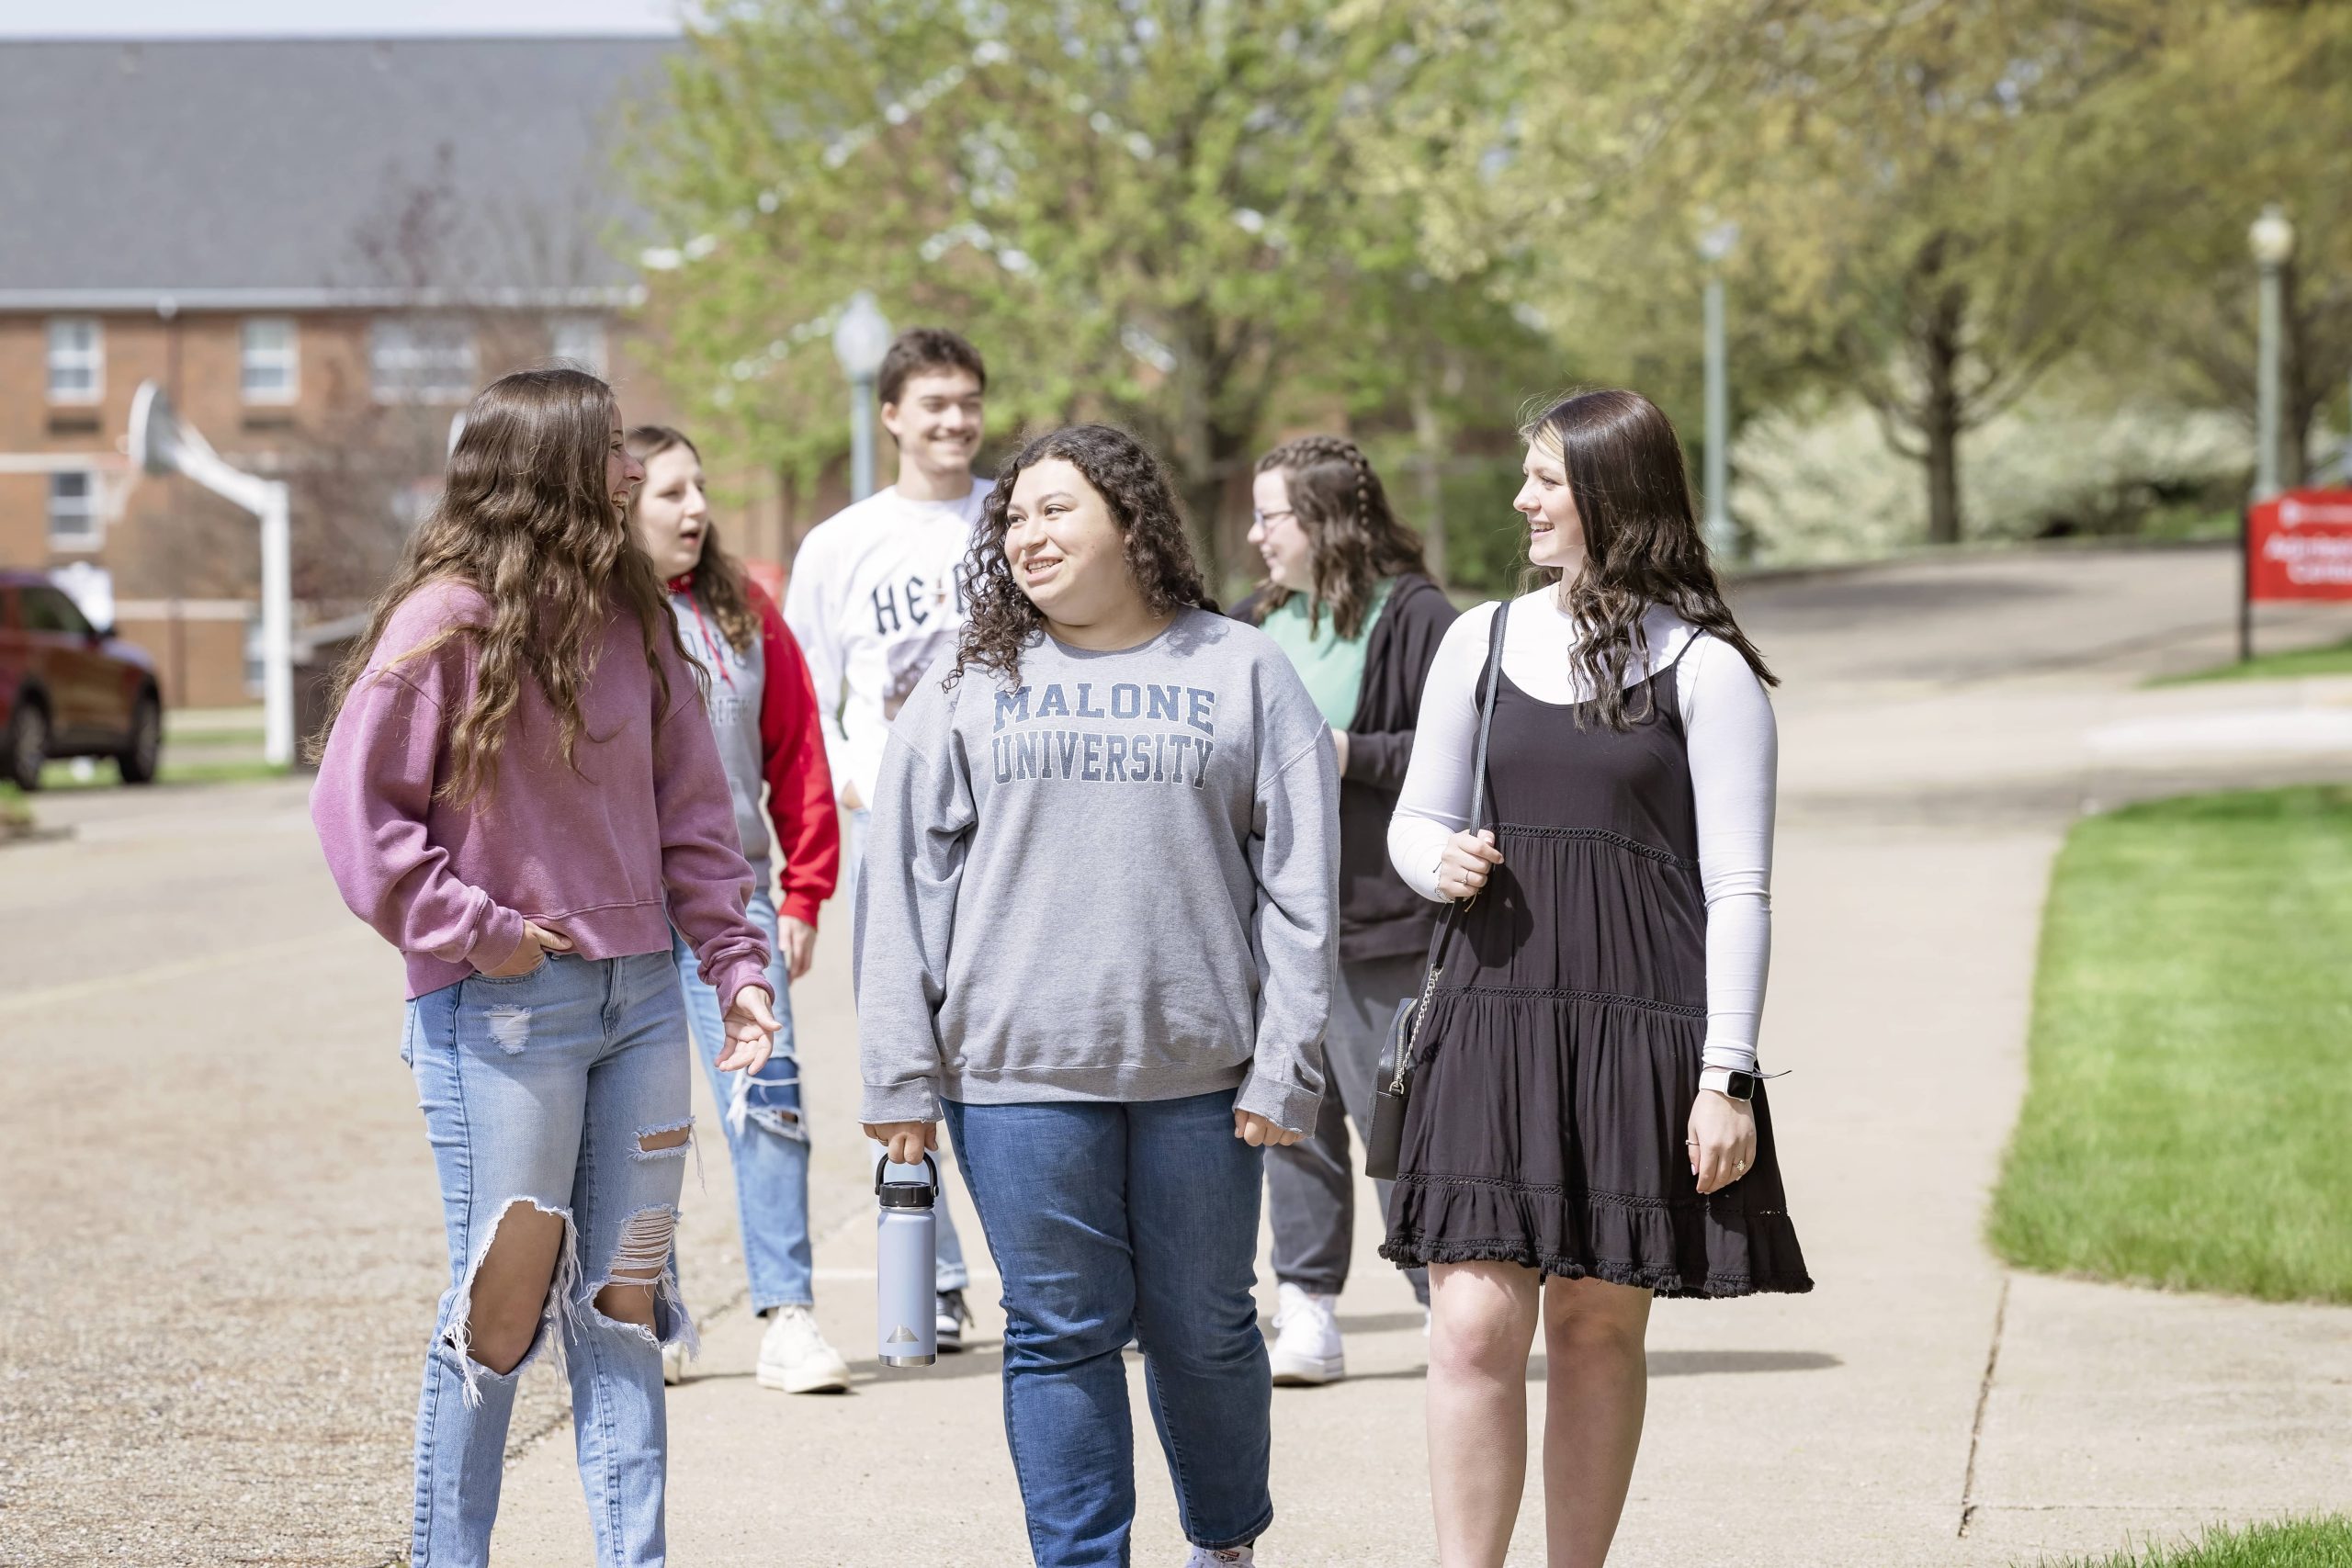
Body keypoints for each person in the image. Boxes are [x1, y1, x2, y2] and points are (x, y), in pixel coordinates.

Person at [310, 367, 782, 1566]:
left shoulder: (638, 623)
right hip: (502, 1011)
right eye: (615, 444)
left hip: (640, 1011)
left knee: (625, 1302)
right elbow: (358, 822)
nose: (633, 463)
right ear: (556, 467)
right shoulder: (442, 624)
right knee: (499, 1314)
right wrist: (489, 929)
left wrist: (736, 962)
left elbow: (694, 819)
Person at [857, 424, 1339, 1568]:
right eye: (1013, 516)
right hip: (1014, 1079)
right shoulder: (969, 682)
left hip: (1205, 1078)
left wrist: (1288, 1063)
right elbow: (903, 887)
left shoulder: (1241, 667)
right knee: (1057, 1335)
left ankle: (1224, 1544)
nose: (1026, 533)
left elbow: (1304, 888)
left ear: (1130, 522)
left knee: (1207, 1330)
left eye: (1054, 510)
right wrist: (896, 1070)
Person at [1382, 389, 1812, 1568]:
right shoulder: (1479, 641)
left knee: (1591, 1326)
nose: (1520, 499)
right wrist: (1436, 858)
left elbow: (1737, 891)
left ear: (1612, 496)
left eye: (1544, 480)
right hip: (1493, 1015)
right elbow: (1413, 822)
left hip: (1640, 1032)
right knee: (1469, 1322)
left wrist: (1725, 1076)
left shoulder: (1706, 669)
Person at [626, 423, 853, 1395]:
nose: (696, 510)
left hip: (732, 908)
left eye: (701, 489)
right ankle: (656, 1316)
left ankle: (788, 1316)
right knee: (642, 1121)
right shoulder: (592, 620)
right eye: (671, 494)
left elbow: (799, 754)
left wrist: (802, 889)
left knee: (769, 1103)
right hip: (622, 917)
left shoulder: (745, 612)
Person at [783, 325, 989, 1348]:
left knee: (1011, 1041)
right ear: (891, 415)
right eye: (935, 404)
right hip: (891, 826)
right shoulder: (839, 544)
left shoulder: (1015, 516)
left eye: (968, 403)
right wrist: (850, 777)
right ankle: (936, 1277)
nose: (954, 421)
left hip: (1010, 820)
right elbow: (806, 692)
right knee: (903, 1048)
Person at [1236, 434, 1457, 1383]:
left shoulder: (1414, 617)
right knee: (1292, 1120)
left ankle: (1444, 1302)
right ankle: (1307, 1310)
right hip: (1273, 922)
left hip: (1378, 920)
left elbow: (1464, 754)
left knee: (1396, 1121)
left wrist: (1346, 754)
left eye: (1270, 518)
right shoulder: (1255, 620)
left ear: (1322, 522)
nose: (1253, 538)